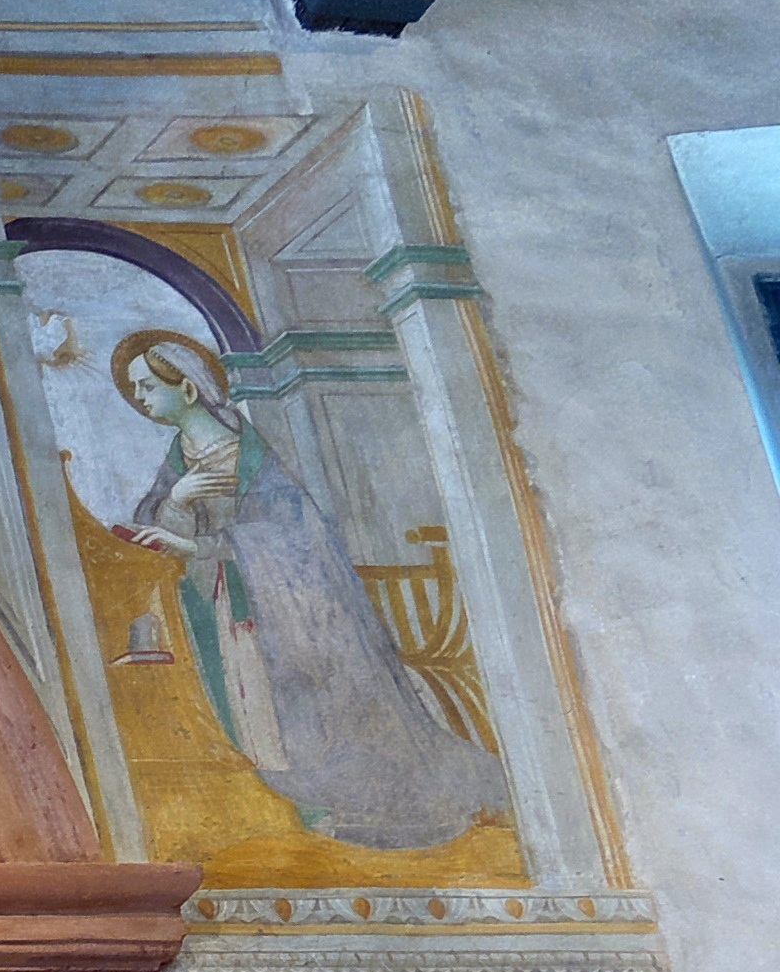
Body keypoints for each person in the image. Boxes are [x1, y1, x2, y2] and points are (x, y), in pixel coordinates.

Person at [109, 330, 509, 853]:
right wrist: (180, 504)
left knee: (292, 705)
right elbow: (153, 522)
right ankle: (281, 799)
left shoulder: (244, 454)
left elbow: (293, 534)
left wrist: (200, 544)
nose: (139, 398)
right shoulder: (180, 459)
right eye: (135, 388)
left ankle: (336, 799)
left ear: (186, 389)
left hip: (286, 608)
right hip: (218, 604)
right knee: (246, 704)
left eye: (146, 386)